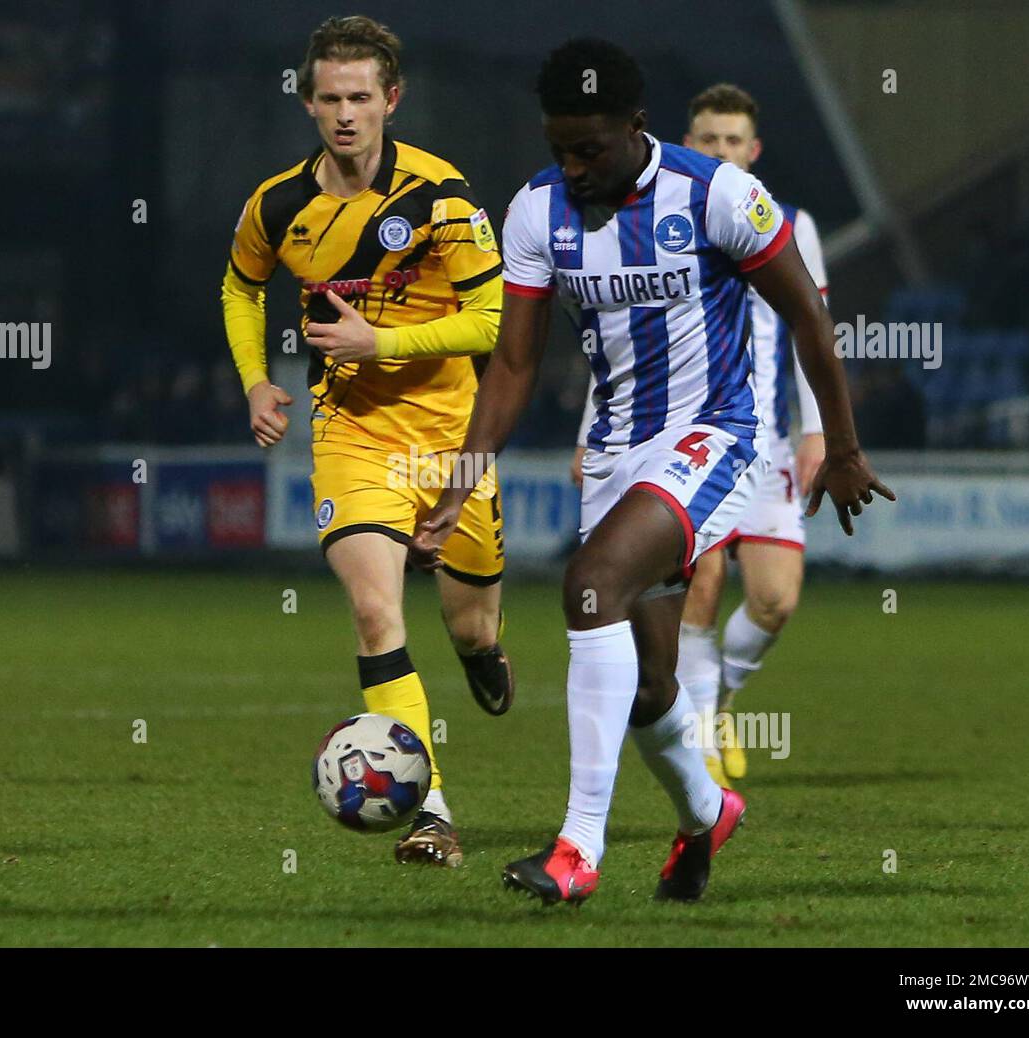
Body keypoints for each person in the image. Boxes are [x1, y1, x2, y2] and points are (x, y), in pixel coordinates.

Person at [410, 39, 892, 904]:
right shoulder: (534, 212)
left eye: (589, 147)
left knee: (589, 584)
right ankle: (709, 814)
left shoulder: (717, 196)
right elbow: (514, 366)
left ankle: (576, 852)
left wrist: (844, 447)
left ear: (636, 127)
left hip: (715, 435)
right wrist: (461, 480)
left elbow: (812, 323)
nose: (573, 164)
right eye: (560, 147)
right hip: (616, 453)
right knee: (651, 687)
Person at [222, 15, 514, 868]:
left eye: (360, 97)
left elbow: (492, 319)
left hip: (455, 445)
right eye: (329, 98)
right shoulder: (278, 204)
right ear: (307, 102)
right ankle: (432, 813)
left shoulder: (444, 197)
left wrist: (379, 343)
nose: (345, 114)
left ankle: (483, 650)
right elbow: (241, 287)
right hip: (352, 434)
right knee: (375, 609)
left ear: (391, 98)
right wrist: (255, 379)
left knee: (468, 626)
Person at [572, 83, 829, 786]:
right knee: (702, 584)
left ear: (754, 149)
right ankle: (702, 741)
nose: (720, 151)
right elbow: (620, 339)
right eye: (707, 139)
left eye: (732, 140)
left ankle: (722, 700)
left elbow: (814, 326)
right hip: (683, 441)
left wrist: (818, 433)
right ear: (688, 139)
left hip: (768, 442)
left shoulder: (787, 222)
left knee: (776, 598)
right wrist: (590, 427)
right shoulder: (650, 215)